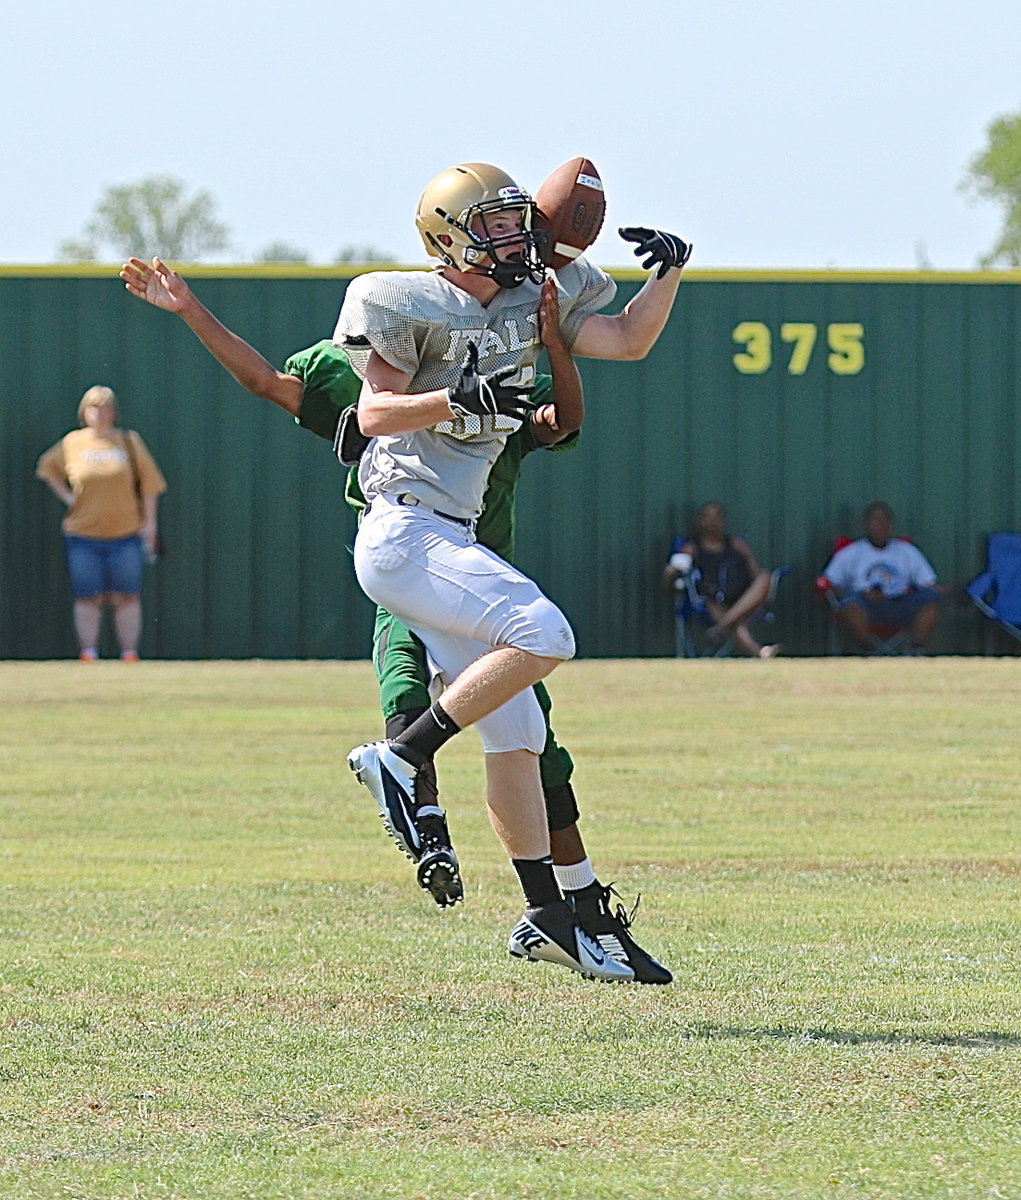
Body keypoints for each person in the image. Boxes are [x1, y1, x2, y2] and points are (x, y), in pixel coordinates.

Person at [118, 256, 672, 985]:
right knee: (511, 650)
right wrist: (192, 310)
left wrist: (557, 338)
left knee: (524, 737)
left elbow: (569, 406)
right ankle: (408, 774)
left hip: (468, 550)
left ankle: (548, 913)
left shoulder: (502, 348)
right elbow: (330, 398)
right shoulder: (389, 344)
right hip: (410, 542)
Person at [336, 161, 690, 981]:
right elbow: (374, 411)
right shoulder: (398, 298)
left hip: (449, 534)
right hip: (405, 528)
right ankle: (403, 755)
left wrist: (668, 272)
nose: (516, 233)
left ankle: (546, 914)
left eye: (515, 217)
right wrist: (456, 400)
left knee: (520, 732)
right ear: (447, 237)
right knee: (544, 630)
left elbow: (628, 340)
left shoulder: (540, 297)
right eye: (493, 223)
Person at [35, 385, 166, 662]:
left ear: (114, 411)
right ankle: (88, 654)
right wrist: (69, 498)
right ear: (84, 412)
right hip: (82, 534)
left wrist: (149, 525)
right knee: (88, 596)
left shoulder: (129, 441)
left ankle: (129, 654)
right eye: (94, 407)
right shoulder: (73, 443)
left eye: (106, 407)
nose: (100, 412)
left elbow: (151, 485)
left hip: (126, 532)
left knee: (127, 596)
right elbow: (47, 468)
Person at [822, 501, 944, 653]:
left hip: (901, 603)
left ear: (891, 524)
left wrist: (940, 591)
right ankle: (870, 651)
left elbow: (927, 583)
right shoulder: (851, 552)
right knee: (849, 604)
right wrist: (858, 594)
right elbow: (831, 583)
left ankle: (916, 651)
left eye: (885, 520)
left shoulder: (907, 551)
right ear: (866, 524)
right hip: (865, 605)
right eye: (876, 520)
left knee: (932, 599)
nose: (880, 525)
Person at [663, 501, 779, 658]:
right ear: (700, 521)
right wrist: (670, 572)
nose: (712, 522)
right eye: (707, 517)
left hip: (741, 597)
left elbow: (756, 573)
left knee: (765, 578)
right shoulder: (692, 548)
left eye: (717, 516)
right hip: (711, 602)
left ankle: (719, 629)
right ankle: (759, 653)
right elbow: (670, 582)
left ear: (724, 521)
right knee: (734, 620)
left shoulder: (737, 545)